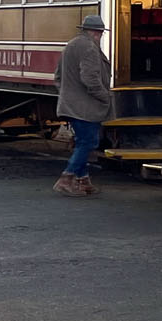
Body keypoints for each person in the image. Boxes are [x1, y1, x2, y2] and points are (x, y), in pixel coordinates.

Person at [52, 16, 113, 197]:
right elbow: (90, 79)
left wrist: (68, 94)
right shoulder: (89, 48)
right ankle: (66, 178)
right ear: (97, 33)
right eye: (101, 33)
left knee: (82, 142)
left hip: (71, 104)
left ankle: (84, 180)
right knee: (88, 142)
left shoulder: (71, 45)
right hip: (86, 107)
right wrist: (105, 98)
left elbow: (57, 77)